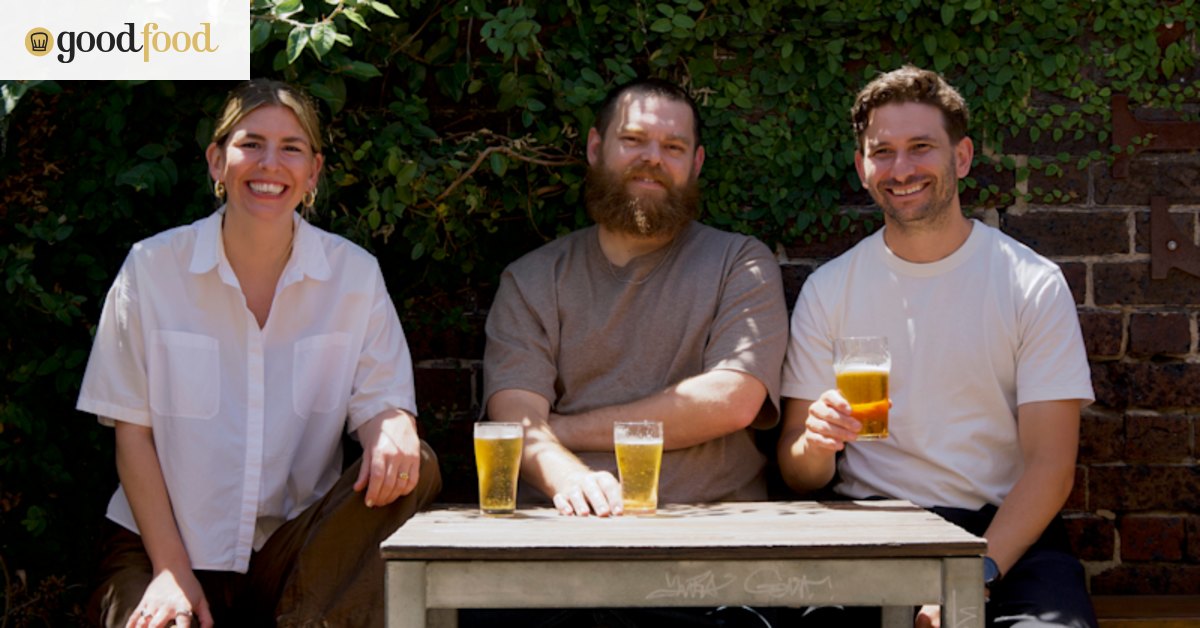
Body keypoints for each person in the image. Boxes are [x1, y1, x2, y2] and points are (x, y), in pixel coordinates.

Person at [77, 79, 440, 628]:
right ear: (217, 162)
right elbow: (132, 435)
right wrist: (171, 570)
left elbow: (381, 403)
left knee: (420, 465)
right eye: (251, 144)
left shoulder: (354, 275)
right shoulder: (151, 269)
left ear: (313, 172)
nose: (270, 164)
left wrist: (391, 430)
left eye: (291, 148)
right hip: (160, 543)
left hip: (294, 552)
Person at [778, 65, 1097, 628]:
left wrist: (972, 578)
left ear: (962, 157)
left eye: (921, 147)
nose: (901, 169)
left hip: (1003, 534)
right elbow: (799, 472)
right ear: (862, 168)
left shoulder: (1029, 283)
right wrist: (816, 444)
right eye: (883, 152)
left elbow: (1051, 467)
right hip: (868, 531)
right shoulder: (830, 289)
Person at [469, 77, 788, 627]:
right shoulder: (533, 279)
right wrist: (571, 481)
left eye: (673, 147)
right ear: (596, 147)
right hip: (564, 553)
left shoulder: (738, 263)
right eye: (634, 140)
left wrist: (559, 430)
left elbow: (732, 399)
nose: (652, 159)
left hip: (713, 556)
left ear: (696, 163)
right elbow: (515, 415)